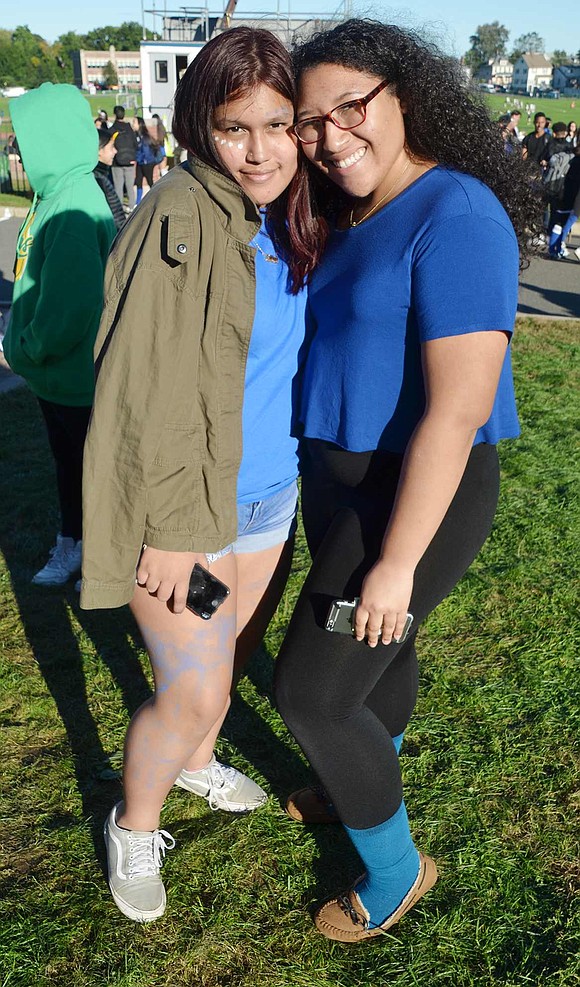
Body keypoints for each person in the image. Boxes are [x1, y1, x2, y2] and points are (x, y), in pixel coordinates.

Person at [273, 18, 541, 943]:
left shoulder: (455, 211)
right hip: (339, 478)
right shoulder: (347, 213)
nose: (330, 134)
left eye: (353, 106)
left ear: (405, 97)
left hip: (419, 491)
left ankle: (395, 868)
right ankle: (361, 770)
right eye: (310, 120)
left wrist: (395, 562)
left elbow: (457, 410)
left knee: (310, 691)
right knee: (379, 655)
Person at [80, 27, 317, 923]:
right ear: (198, 126)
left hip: (267, 496)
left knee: (227, 660)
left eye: (277, 124)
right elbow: (142, 391)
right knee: (193, 686)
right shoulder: (181, 216)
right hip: (189, 509)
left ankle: (193, 763)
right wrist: (172, 529)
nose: (259, 149)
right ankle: (134, 822)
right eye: (234, 127)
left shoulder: (282, 214)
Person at [2, 82, 116, 586]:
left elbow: (71, 308)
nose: (17, 152)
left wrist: (26, 349)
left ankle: (98, 557)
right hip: (55, 377)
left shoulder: (73, 202)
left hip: (73, 377)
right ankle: (78, 543)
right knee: (70, 466)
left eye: (24, 140)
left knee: (87, 472)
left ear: (51, 137)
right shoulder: (54, 194)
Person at [93, 127, 126, 231]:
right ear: (99, 150)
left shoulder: (100, 175)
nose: (115, 151)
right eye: (111, 147)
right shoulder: (98, 180)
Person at [109, 105, 138, 211]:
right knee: (130, 186)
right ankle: (131, 206)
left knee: (118, 186)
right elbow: (135, 144)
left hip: (116, 162)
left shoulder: (112, 130)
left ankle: (119, 208)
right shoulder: (129, 129)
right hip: (130, 160)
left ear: (115, 114)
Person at [132, 115, 157, 204]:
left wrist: (138, 158)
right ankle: (137, 203)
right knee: (138, 182)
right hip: (140, 162)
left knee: (150, 181)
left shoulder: (144, 137)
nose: (132, 124)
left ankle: (156, 198)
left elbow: (145, 152)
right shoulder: (136, 135)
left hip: (147, 163)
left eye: (134, 122)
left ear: (139, 124)